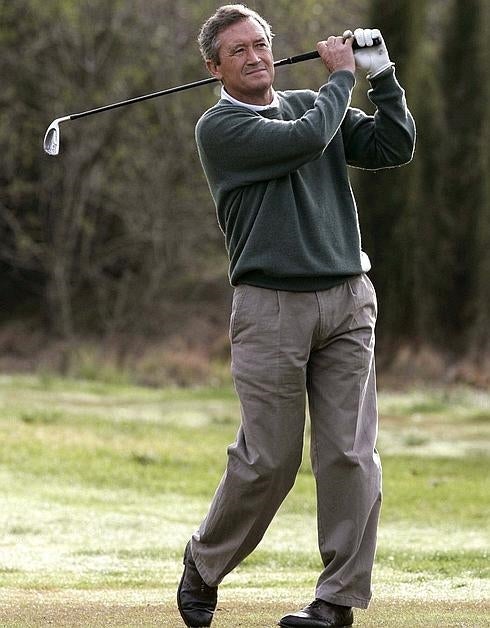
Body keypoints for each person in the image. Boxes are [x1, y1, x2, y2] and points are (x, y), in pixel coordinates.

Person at [177, 5, 415, 627]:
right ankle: (204, 562)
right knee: (269, 460)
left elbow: (395, 144)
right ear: (215, 68)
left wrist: (382, 74)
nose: (255, 57)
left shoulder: (313, 101)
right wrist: (343, 77)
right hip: (270, 307)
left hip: (346, 299)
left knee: (350, 455)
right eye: (239, 51)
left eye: (261, 44)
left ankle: (338, 602)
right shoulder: (220, 128)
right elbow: (305, 140)